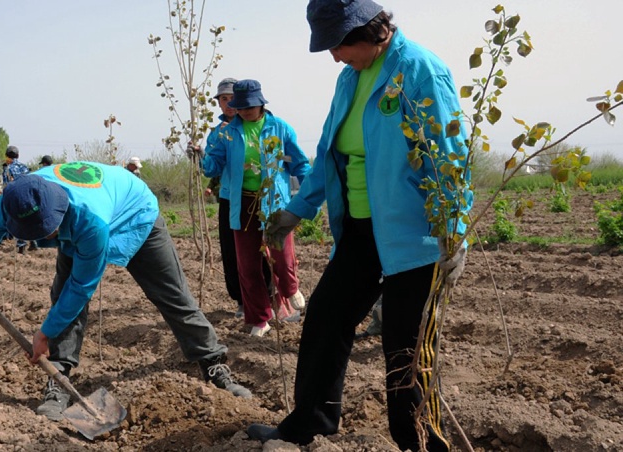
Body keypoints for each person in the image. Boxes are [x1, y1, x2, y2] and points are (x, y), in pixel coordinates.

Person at [245, 2, 471, 450]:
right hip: (361, 231)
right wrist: (296, 209)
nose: (334, 56)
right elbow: (330, 154)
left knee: (404, 347)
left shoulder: (418, 70)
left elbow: (448, 154)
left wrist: (453, 231)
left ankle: (420, 444)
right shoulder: (350, 78)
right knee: (326, 319)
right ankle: (308, 424)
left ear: (370, 31)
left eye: (338, 44)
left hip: (416, 235)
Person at [0, 162, 252, 420]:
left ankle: (213, 364)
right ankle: (58, 378)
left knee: (172, 295)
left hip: (136, 215)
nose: (47, 237)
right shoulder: (13, 201)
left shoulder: (88, 220)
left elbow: (81, 288)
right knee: (62, 297)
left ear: (58, 209)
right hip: (90, 216)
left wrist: (43, 333)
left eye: (49, 229)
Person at [194, 79, 311, 337]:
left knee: (281, 255)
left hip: (274, 201)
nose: (245, 111)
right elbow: (212, 168)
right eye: (241, 106)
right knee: (247, 265)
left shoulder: (279, 128)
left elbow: (299, 164)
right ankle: (259, 319)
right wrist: (203, 156)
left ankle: (290, 288)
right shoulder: (226, 133)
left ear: (261, 104)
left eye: (250, 106)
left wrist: (310, 191)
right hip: (242, 203)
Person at [202, 77, 275, 320]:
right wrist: (200, 156)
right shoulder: (220, 133)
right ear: (219, 104)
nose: (230, 103)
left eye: (233, 98)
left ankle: (272, 297)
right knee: (234, 252)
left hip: (263, 198)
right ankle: (243, 301)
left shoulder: (268, 125)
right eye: (224, 99)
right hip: (231, 199)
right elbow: (212, 168)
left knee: (268, 249)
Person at [3, 145, 36, 253]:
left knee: (17, 220)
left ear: (7, 156)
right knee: (30, 219)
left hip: (15, 197)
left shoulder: (8, 169)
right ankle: (33, 241)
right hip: (28, 196)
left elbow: (7, 185)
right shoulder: (24, 167)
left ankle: (21, 245)